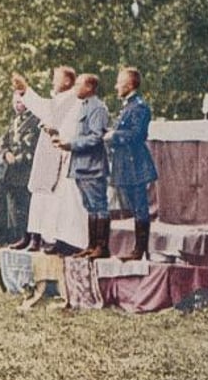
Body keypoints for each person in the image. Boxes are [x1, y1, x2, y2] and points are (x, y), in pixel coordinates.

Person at [11, 66, 88, 254]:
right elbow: (43, 107)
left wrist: (27, 91)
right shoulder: (58, 100)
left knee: (60, 201)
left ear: (68, 81)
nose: (52, 81)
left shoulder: (73, 101)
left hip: (63, 155)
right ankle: (36, 237)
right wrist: (24, 91)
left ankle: (57, 240)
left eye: (56, 78)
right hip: (48, 154)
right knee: (40, 196)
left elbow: (47, 112)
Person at [52, 73, 112, 259]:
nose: (75, 88)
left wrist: (70, 144)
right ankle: (92, 245)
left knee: (98, 206)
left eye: (79, 85)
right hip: (81, 166)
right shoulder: (84, 106)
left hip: (92, 167)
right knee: (90, 206)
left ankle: (101, 247)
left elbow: (96, 137)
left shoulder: (97, 108)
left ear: (89, 88)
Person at [105, 67, 158, 261]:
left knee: (140, 207)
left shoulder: (139, 106)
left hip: (135, 164)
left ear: (129, 84)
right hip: (126, 164)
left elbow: (138, 134)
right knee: (135, 207)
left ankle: (140, 250)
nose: (116, 86)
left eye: (119, 82)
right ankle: (139, 249)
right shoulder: (128, 106)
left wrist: (114, 135)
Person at [0, 95, 40, 246]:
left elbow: (35, 145)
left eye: (21, 101)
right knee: (17, 208)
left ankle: (35, 238)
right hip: (13, 171)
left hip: (27, 169)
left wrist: (20, 157)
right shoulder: (13, 122)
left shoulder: (35, 121)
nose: (18, 105)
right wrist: (6, 153)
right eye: (15, 102)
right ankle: (24, 236)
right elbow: (4, 142)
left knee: (30, 205)